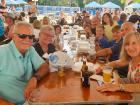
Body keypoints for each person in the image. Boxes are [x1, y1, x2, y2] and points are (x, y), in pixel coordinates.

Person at [0, 21, 49, 105]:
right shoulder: (2, 52)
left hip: (32, 100)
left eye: (31, 37)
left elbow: (44, 66)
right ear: (13, 36)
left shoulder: (30, 50)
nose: (27, 40)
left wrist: (34, 78)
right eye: (22, 36)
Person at [97, 32, 140, 105]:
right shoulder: (131, 60)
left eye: (134, 43)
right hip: (129, 98)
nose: (130, 47)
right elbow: (132, 81)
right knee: (102, 98)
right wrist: (116, 78)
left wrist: (119, 86)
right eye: (127, 44)